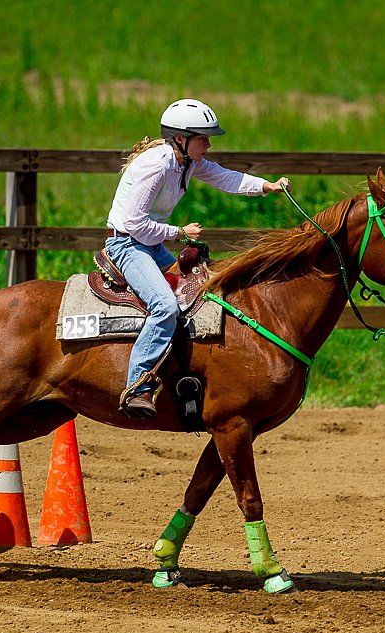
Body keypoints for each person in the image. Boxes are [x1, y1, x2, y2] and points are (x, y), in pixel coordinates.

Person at [106, 98, 291, 418]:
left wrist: (267, 186)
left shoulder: (186, 162)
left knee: (201, 291)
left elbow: (226, 177)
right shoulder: (157, 166)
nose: (208, 144)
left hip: (149, 244)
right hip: (128, 246)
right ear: (180, 138)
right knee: (164, 304)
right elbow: (134, 224)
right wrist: (180, 232)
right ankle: (137, 383)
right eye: (202, 138)